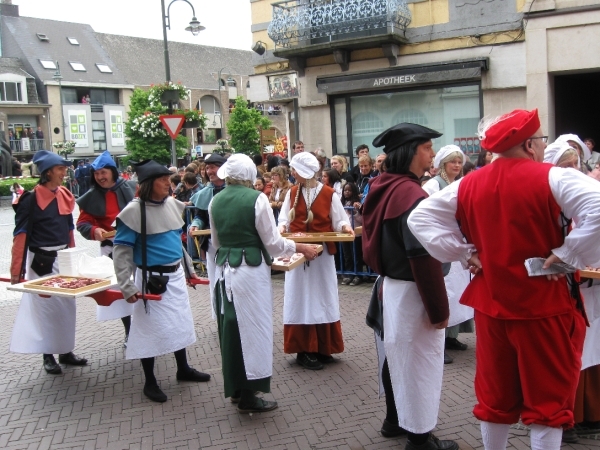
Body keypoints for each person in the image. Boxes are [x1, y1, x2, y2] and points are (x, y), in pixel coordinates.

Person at [408, 109, 600, 450]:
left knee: (495, 397)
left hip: (492, 305)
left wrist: (465, 253)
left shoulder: (468, 182)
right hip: (545, 304)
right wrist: (570, 254)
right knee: (547, 402)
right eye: (540, 140)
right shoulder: (554, 177)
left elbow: (420, 218)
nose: (543, 146)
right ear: (529, 145)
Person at [361, 123, 457, 450]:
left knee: (399, 357)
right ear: (412, 151)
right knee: (420, 364)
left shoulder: (382, 185)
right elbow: (422, 258)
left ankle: (395, 420)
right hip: (413, 290)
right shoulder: (411, 194)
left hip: (392, 287)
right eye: (427, 147)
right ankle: (419, 439)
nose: (432, 153)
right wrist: (439, 310)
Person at [209, 154, 318, 412]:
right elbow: (273, 243)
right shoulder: (256, 198)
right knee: (254, 328)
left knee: (232, 328)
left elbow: (215, 242)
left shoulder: (216, 200)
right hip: (250, 271)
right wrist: (299, 246)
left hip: (226, 271)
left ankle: (236, 389)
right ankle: (249, 394)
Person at [113, 160, 209, 403]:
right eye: (162, 180)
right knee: (149, 331)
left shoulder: (171, 205)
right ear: (147, 184)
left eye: (169, 178)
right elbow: (122, 252)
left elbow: (176, 243)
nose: (169, 183)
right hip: (150, 279)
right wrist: (127, 286)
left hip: (175, 277)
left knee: (179, 323)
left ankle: (183, 368)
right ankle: (150, 381)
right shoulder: (133, 212)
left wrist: (189, 271)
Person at [9, 150, 88, 375]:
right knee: (46, 308)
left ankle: (65, 350)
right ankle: (48, 355)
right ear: (48, 172)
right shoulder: (31, 199)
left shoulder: (63, 194)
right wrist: (17, 270)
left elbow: (69, 230)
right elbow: (21, 235)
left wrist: (73, 258)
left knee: (66, 308)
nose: (64, 172)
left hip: (63, 258)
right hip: (40, 261)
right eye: (60, 169)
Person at [278, 153, 353, 370]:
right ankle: (304, 349)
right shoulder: (292, 193)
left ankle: (323, 346)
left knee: (323, 296)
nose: (292, 174)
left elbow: (340, 220)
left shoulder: (329, 194)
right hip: (298, 251)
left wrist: (346, 227)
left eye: (294, 170)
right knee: (300, 298)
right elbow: (283, 219)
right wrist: (282, 228)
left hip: (321, 254)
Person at [76, 151, 136, 345]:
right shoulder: (91, 197)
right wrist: (95, 230)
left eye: (103, 172)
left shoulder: (131, 188)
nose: (100, 177)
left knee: (143, 285)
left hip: (137, 246)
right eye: (96, 173)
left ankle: (146, 329)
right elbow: (83, 223)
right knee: (122, 291)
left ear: (112, 172)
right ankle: (129, 331)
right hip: (111, 250)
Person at [421, 145, 473, 365]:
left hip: (458, 241)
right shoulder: (433, 185)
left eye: (459, 162)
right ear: (443, 163)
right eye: (453, 162)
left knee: (458, 292)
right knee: (446, 292)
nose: (457, 166)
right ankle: (439, 343)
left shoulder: (460, 183)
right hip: (444, 243)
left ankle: (452, 336)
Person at [189, 153, 228, 316]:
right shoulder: (204, 193)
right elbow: (200, 216)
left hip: (233, 243)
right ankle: (219, 313)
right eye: (207, 168)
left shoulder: (233, 189)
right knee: (215, 279)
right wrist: (195, 225)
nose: (209, 171)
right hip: (212, 245)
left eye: (213, 167)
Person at [340, 182, 363, 286]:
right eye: (345, 190)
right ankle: (349, 274)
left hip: (356, 234)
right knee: (347, 255)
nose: (347, 192)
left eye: (349, 190)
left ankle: (357, 275)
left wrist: (355, 212)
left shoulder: (357, 203)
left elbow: (362, 220)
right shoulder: (341, 204)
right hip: (345, 234)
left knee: (356, 255)